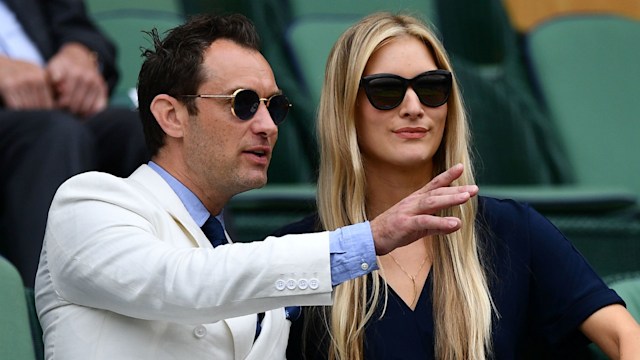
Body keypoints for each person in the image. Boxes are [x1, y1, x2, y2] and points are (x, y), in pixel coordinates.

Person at [33, 13, 480, 360]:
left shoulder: (235, 254)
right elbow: (184, 282)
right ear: (170, 115)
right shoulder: (89, 204)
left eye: (275, 106)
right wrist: (367, 240)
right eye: (243, 104)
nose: (267, 125)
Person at [272, 12, 640, 360]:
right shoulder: (303, 253)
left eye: (432, 88)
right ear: (345, 108)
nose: (414, 106)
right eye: (387, 91)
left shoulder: (513, 231)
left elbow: (626, 336)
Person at [0, 0, 148, 287]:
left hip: (58, 112)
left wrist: (81, 55)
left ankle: (216, 302)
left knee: (149, 128)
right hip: (38, 130)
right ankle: (55, 312)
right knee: (51, 136)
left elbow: (81, 30)